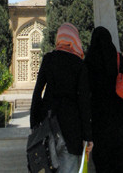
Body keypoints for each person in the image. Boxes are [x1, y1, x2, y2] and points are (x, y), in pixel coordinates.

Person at [30, 23, 93, 173]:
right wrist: (87, 136)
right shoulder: (79, 65)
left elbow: (37, 91)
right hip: (71, 128)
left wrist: (34, 123)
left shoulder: (49, 59)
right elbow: (84, 102)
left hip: (48, 124)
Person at [84, 26, 123, 173]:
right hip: (118, 117)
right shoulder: (118, 58)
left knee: (102, 162)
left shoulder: (89, 61)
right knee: (119, 161)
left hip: (99, 118)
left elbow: (86, 90)